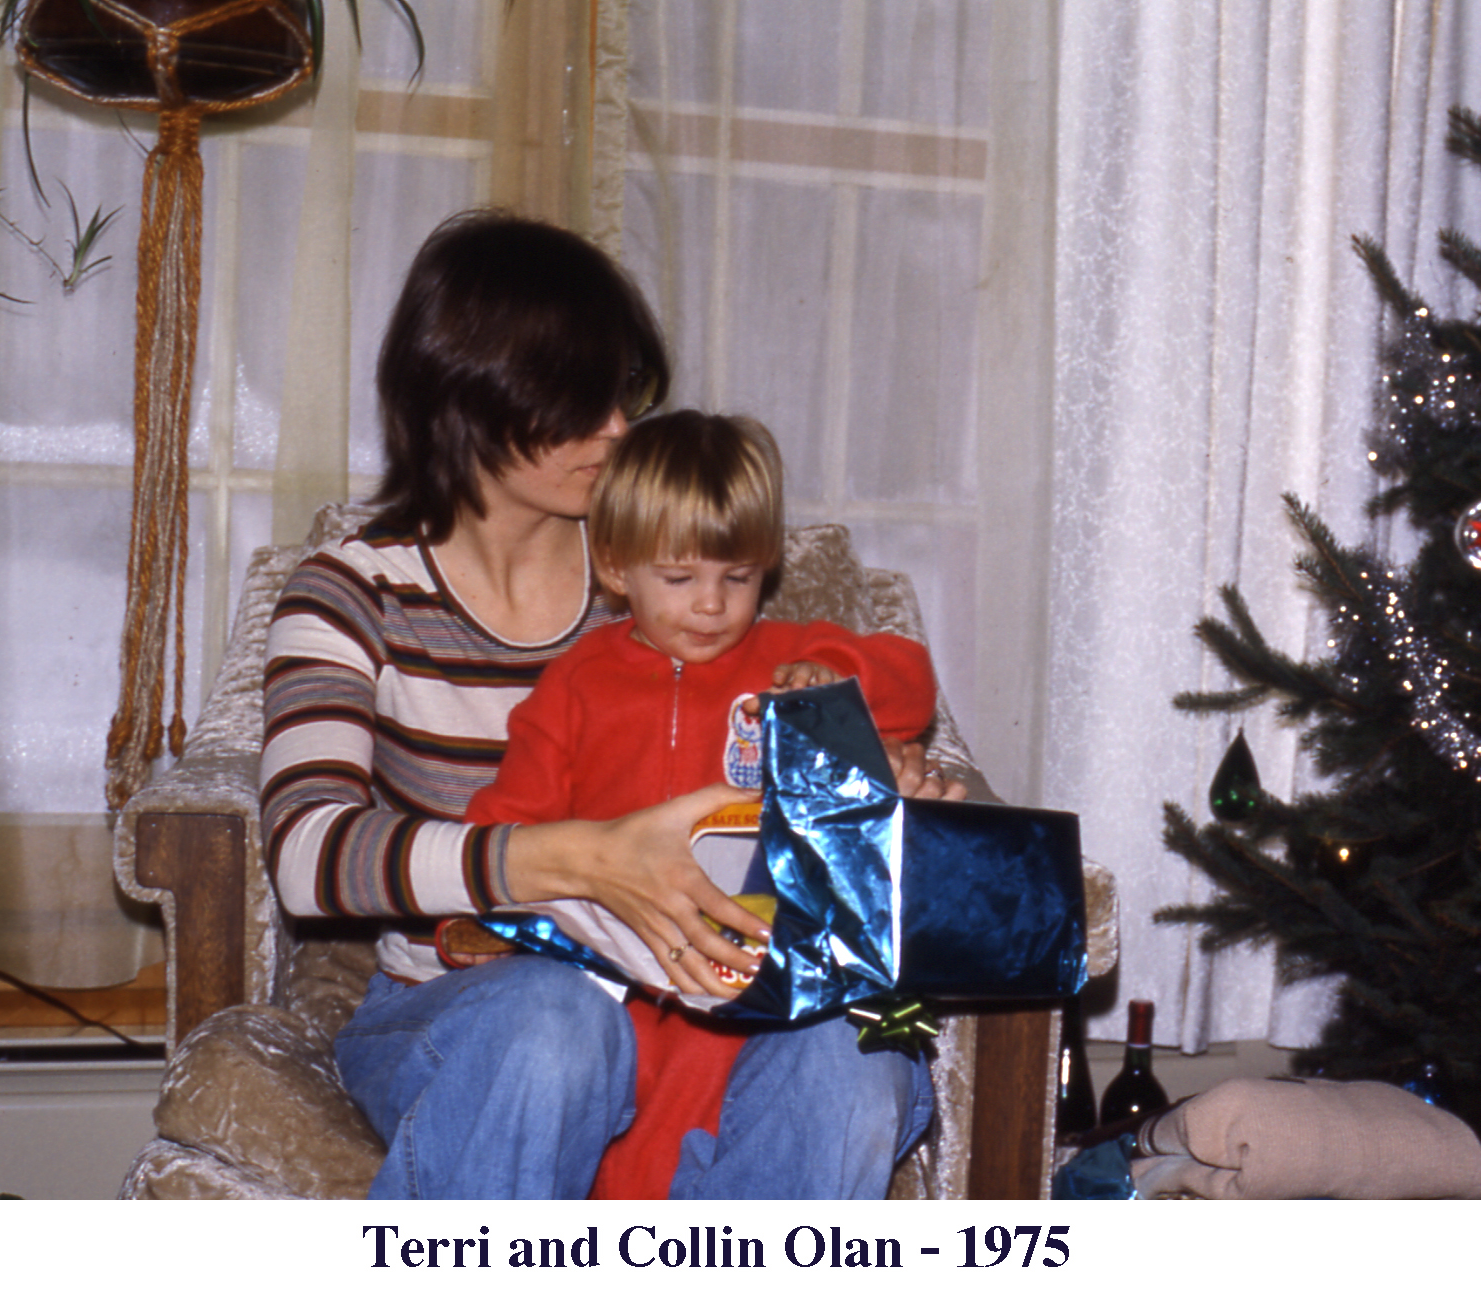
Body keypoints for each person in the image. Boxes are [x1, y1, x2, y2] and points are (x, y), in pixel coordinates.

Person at [260, 209, 958, 1200]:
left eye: (622, 396)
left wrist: (897, 774)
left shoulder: (663, 579)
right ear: (471, 398)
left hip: (712, 1009)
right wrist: (590, 857)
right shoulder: (352, 593)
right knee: (554, 1023)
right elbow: (307, 854)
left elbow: (832, 706)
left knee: (857, 1056)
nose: (619, 430)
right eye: (581, 402)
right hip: (461, 1005)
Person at [463, 410, 938, 1196]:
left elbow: (911, 682)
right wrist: (488, 925)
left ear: (768, 567)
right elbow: (505, 828)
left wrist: (831, 672)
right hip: (631, 960)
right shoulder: (578, 683)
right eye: (680, 579)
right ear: (617, 567)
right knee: (630, 1071)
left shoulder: (786, 658)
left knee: (816, 1062)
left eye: (738, 577)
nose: (712, 606)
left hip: (774, 958)